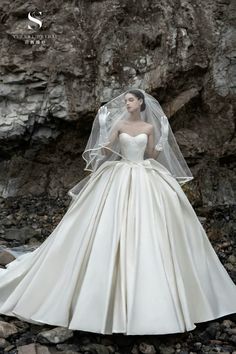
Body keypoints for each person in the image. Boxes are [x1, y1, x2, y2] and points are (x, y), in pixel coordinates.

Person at [0, 88, 236, 336]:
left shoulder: (148, 128)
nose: (127, 103)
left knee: (157, 226)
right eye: (126, 100)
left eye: (131, 100)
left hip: (144, 174)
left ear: (141, 103)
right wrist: (103, 127)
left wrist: (164, 136)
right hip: (120, 173)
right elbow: (104, 152)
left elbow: (153, 154)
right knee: (104, 226)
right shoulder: (120, 124)